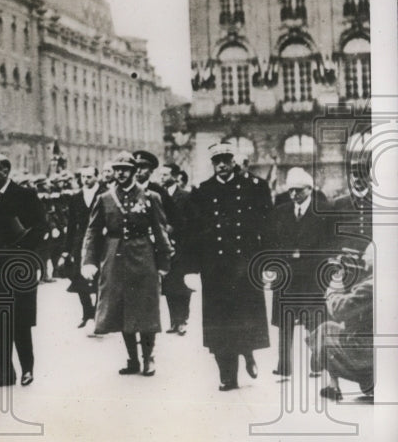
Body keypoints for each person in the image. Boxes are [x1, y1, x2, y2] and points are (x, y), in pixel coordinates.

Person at [184, 143, 272, 391]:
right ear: (212, 164)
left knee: (245, 319)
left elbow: (266, 228)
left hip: (245, 267)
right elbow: (192, 233)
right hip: (215, 269)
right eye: (217, 160)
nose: (221, 164)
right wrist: (191, 269)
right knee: (219, 324)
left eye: (226, 159)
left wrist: (266, 261)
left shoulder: (253, 188)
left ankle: (248, 352)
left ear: (234, 161)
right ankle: (227, 375)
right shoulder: (202, 192)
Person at [82, 153, 172, 377]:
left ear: (134, 171)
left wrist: (164, 262)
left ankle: (148, 358)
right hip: (114, 256)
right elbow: (92, 232)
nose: (120, 173)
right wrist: (89, 261)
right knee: (121, 308)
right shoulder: (105, 198)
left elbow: (160, 231)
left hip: (143, 255)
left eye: (125, 169)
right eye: (117, 169)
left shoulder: (150, 197)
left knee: (145, 307)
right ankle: (132, 359)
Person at [0, 154, 46, 387]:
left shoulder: (25, 195)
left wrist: (22, 250)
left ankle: (27, 369)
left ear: (5, 171)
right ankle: (5, 373)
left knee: (20, 321)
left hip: (18, 267)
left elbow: (41, 226)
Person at [267, 167, 333, 377]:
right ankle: (284, 365)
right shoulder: (281, 211)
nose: (294, 195)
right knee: (285, 322)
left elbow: (329, 243)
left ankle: (317, 362)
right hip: (286, 276)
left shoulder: (324, 211)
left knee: (314, 320)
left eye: (298, 191)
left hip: (312, 276)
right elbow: (273, 241)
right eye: (291, 191)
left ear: (309, 189)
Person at [310, 245, 374, 402]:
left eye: (366, 255)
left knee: (326, 329)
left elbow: (340, 311)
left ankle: (333, 384)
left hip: (369, 356)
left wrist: (333, 290)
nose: (364, 259)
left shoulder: (371, 285)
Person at [65, 166, 106, 329]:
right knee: (78, 278)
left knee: (100, 279)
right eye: (83, 177)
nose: (85, 180)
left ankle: (98, 313)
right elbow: (71, 225)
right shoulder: (76, 197)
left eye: (89, 177)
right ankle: (87, 312)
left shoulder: (104, 194)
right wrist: (66, 249)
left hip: (101, 241)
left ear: (96, 177)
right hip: (80, 242)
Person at [158, 163, 193, 335]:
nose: (162, 178)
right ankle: (174, 321)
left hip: (181, 246)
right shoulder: (158, 195)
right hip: (164, 246)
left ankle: (183, 320)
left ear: (174, 176)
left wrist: (175, 229)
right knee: (169, 284)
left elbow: (191, 221)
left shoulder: (186, 196)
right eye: (161, 175)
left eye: (165, 175)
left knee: (182, 284)